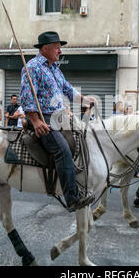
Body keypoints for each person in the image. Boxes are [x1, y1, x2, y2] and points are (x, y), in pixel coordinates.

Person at [20, 31, 96, 212]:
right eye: (56, 47)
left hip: (59, 117)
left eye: (60, 47)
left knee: (83, 137)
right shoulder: (32, 67)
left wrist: (86, 100)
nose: (60, 51)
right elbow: (26, 97)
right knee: (62, 150)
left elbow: (68, 90)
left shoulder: (55, 68)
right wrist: (36, 121)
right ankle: (72, 198)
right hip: (42, 118)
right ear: (45, 48)